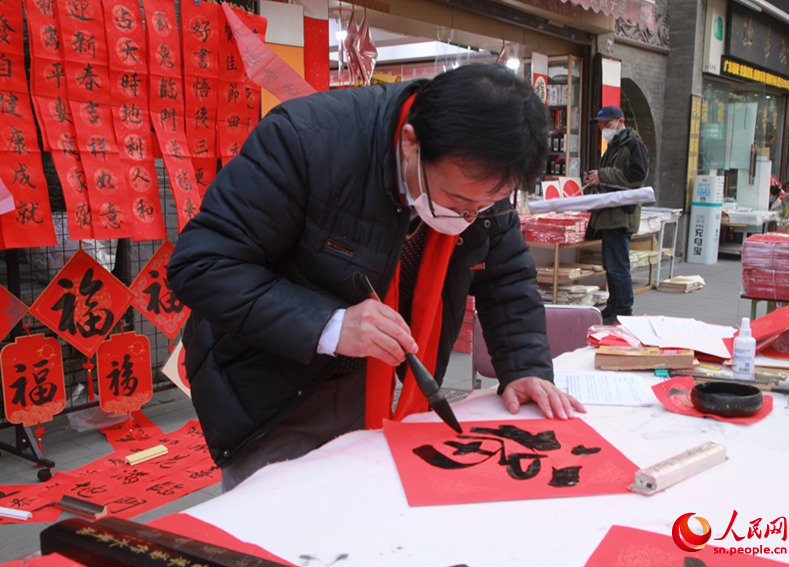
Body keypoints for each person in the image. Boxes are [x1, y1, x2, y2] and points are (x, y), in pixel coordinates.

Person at [167, 63, 585, 491]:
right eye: (457, 199)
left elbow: (507, 280)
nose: (468, 217)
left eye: (489, 203)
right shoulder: (305, 141)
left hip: (384, 385)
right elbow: (203, 265)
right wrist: (330, 324)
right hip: (276, 387)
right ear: (410, 144)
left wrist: (524, 369)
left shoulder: (483, 185)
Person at [582, 105, 649, 325]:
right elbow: (612, 178)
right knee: (611, 265)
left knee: (618, 265)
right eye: (601, 126)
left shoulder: (633, 144)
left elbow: (637, 175)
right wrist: (595, 178)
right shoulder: (612, 147)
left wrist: (603, 175)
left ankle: (623, 310)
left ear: (620, 121)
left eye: (607, 125)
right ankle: (613, 306)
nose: (604, 129)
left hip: (621, 215)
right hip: (609, 214)